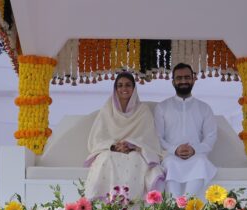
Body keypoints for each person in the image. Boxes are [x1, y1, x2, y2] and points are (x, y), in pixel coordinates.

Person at [84, 71, 163, 201]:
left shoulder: (143, 110)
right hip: (111, 149)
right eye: (120, 85)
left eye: (127, 85)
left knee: (135, 160)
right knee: (106, 159)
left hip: (135, 150)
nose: (123, 89)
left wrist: (131, 144)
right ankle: (107, 201)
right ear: (115, 89)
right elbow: (97, 138)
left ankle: (131, 201)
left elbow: (149, 138)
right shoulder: (107, 109)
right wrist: (114, 146)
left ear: (134, 88)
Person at [154, 63, 217, 198]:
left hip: (197, 155)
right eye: (179, 78)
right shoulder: (162, 107)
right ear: (173, 82)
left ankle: (184, 204)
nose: (183, 81)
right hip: (170, 156)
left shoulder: (204, 108)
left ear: (194, 79)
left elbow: (210, 137)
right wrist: (174, 149)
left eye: (187, 77)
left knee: (201, 163)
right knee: (170, 164)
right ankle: (175, 207)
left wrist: (194, 149)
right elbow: (158, 137)